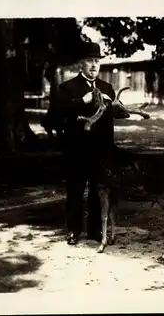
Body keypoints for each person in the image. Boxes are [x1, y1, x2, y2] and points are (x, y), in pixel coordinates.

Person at [52, 42, 117, 246]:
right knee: (75, 190)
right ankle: (73, 230)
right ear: (81, 64)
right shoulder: (68, 88)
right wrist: (83, 101)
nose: (94, 65)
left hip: (100, 150)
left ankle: (95, 230)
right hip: (77, 149)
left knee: (99, 191)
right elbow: (59, 113)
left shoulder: (107, 88)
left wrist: (112, 105)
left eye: (97, 61)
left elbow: (111, 121)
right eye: (89, 61)